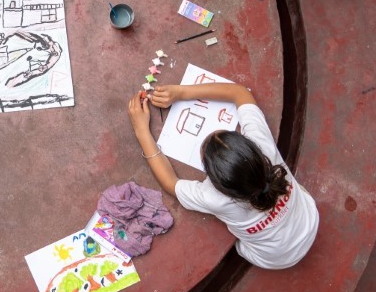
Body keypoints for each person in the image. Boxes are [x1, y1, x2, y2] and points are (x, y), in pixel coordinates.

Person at [126, 82, 319, 270]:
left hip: (274, 259)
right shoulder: (264, 147)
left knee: (237, 246)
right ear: (249, 146)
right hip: (310, 220)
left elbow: (170, 183)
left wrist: (141, 130)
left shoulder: (214, 198)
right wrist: (180, 92)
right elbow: (241, 93)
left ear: (215, 182)